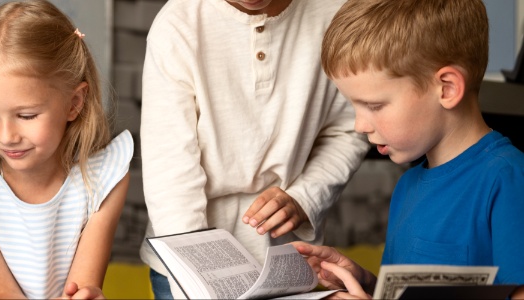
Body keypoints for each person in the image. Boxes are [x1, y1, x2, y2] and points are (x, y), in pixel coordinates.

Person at [291, 0, 524, 298]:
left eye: (374, 105)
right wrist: (366, 283)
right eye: (354, 107)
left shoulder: (507, 180)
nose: (359, 125)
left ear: (447, 89)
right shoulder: (407, 185)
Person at [138, 0, 369, 298]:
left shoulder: (336, 13)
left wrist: (306, 196)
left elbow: (350, 128)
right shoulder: (177, 24)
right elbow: (171, 174)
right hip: (188, 268)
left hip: (290, 264)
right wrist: (198, 282)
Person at [0, 1, 132, 299]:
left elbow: (81, 286)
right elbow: (1, 294)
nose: (6, 136)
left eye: (26, 116)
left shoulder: (103, 179)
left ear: (74, 104)